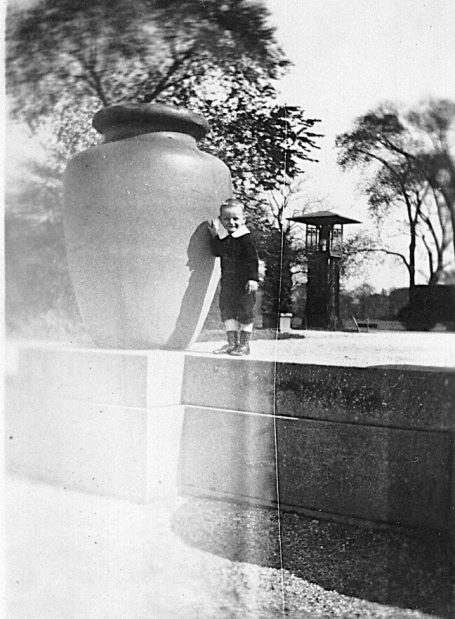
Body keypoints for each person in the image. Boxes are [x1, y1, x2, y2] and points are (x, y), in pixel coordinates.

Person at [208, 198, 259, 356]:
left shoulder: (246, 238)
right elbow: (216, 251)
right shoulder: (224, 238)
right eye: (226, 219)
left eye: (235, 218)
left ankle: (244, 344)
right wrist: (215, 234)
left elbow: (252, 260)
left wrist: (253, 278)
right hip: (228, 283)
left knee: (244, 311)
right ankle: (232, 343)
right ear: (221, 220)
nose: (231, 222)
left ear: (244, 219)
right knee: (227, 310)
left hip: (244, 284)